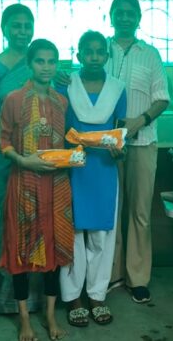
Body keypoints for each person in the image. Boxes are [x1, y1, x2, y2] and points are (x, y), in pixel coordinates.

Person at [0, 39, 73, 341]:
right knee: (20, 251)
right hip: (23, 184)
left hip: (55, 186)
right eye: (40, 61)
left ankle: (51, 315)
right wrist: (23, 160)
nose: (46, 67)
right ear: (29, 64)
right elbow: (2, 140)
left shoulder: (61, 102)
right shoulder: (14, 99)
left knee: (53, 249)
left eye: (52, 61)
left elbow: (65, 143)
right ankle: (25, 319)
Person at [104, 0, 170, 304]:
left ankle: (138, 278)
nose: (125, 17)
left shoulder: (151, 54)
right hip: (105, 146)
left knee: (139, 212)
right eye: (119, 12)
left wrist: (138, 122)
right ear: (111, 16)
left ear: (139, 18)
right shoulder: (100, 50)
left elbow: (162, 99)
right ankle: (111, 274)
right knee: (110, 211)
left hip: (142, 142)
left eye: (131, 13)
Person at [60, 31, 127, 328]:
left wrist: (119, 150)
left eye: (100, 52)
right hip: (74, 167)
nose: (95, 57)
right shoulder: (66, 84)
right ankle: (72, 297)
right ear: (79, 55)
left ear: (107, 57)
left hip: (103, 168)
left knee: (101, 235)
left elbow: (120, 130)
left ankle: (97, 295)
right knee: (73, 233)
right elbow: (59, 127)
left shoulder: (117, 89)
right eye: (89, 51)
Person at [0, 3, 37, 315]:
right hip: (5, 156)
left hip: (36, 157)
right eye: (16, 25)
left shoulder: (39, 63)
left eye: (27, 25)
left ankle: (34, 293)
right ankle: (1, 290)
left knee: (33, 218)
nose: (22, 31)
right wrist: (9, 145)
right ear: (4, 29)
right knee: (3, 217)